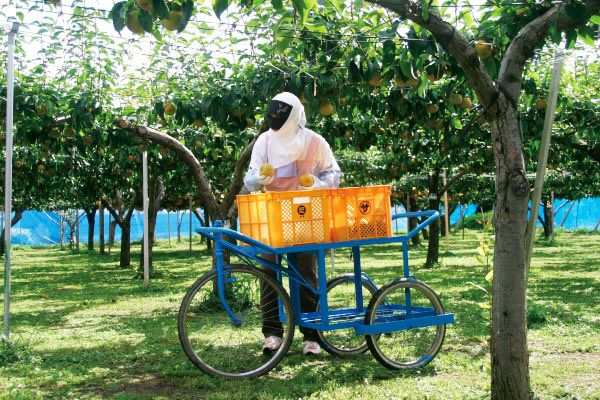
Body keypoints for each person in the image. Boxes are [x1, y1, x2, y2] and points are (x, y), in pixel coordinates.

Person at [243, 92, 341, 356]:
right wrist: (258, 177)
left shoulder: (314, 142)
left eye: (281, 118)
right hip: (273, 219)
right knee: (267, 273)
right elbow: (249, 179)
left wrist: (319, 183)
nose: (276, 124)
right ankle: (272, 333)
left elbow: (334, 172)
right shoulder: (265, 141)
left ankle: (311, 335)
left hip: (305, 217)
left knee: (305, 274)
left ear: (295, 116)